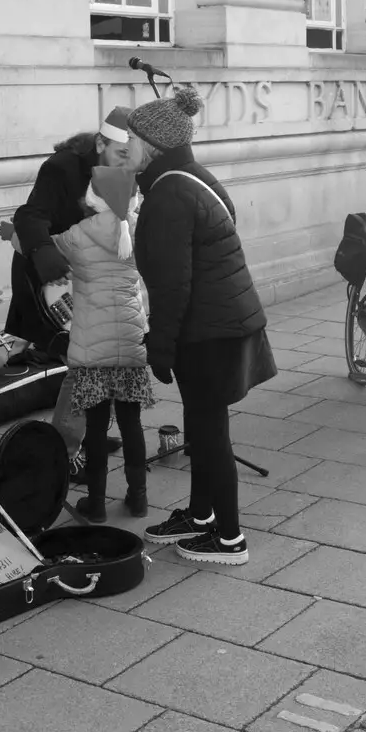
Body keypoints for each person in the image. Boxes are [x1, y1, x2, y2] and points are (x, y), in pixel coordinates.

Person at [128, 85, 275, 565]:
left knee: (211, 433)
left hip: (210, 331)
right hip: (222, 322)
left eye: (131, 138)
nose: (124, 146)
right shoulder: (190, 177)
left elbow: (173, 285)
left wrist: (160, 349)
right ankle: (201, 516)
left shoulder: (169, 192)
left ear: (152, 145)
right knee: (202, 425)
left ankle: (229, 539)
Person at [3, 107, 134, 464]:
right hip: (50, 276)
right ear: (99, 142)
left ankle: (90, 434)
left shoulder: (122, 170)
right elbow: (30, 216)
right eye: (121, 153)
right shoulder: (62, 167)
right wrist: (44, 251)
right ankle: (62, 454)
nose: (127, 161)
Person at [51, 166, 154, 523]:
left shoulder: (78, 234)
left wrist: (16, 236)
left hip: (92, 350)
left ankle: (95, 503)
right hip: (130, 343)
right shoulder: (142, 228)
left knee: (95, 429)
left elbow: (44, 249)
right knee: (131, 424)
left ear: (94, 198)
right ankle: (138, 498)